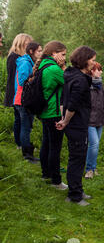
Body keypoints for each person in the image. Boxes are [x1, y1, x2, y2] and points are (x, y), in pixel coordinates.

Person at [56, 46, 97, 206]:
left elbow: (63, 99)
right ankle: (74, 196)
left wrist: (62, 118)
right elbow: (72, 104)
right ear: (84, 60)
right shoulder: (79, 80)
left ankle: (77, 190)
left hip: (73, 123)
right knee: (77, 159)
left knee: (78, 157)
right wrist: (65, 121)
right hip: (77, 124)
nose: (94, 63)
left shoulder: (71, 74)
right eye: (92, 60)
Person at [35, 41, 68, 190]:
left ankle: (45, 173)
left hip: (44, 111)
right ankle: (56, 181)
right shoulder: (54, 69)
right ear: (54, 53)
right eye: (63, 54)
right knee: (55, 147)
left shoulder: (42, 65)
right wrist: (62, 67)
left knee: (46, 143)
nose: (64, 58)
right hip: (53, 112)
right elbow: (69, 82)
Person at [14, 41, 42, 162]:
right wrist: (35, 78)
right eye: (39, 51)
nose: (41, 53)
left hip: (23, 99)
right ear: (31, 51)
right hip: (23, 100)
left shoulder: (28, 62)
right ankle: (27, 155)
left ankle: (27, 151)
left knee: (26, 126)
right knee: (26, 127)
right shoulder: (25, 63)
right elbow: (22, 81)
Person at [3, 33, 33, 149]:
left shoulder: (13, 56)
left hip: (14, 91)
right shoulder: (16, 58)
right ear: (21, 44)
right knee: (22, 121)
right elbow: (19, 77)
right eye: (27, 44)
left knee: (19, 120)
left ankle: (20, 143)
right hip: (16, 91)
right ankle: (21, 144)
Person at [85, 62, 104, 179]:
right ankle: (89, 170)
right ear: (92, 71)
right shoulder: (86, 84)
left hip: (100, 119)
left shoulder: (100, 84)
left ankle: (93, 168)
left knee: (96, 145)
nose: (101, 72)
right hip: (89, 120)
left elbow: (103, 102)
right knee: (94, 144)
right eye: (99, 70)